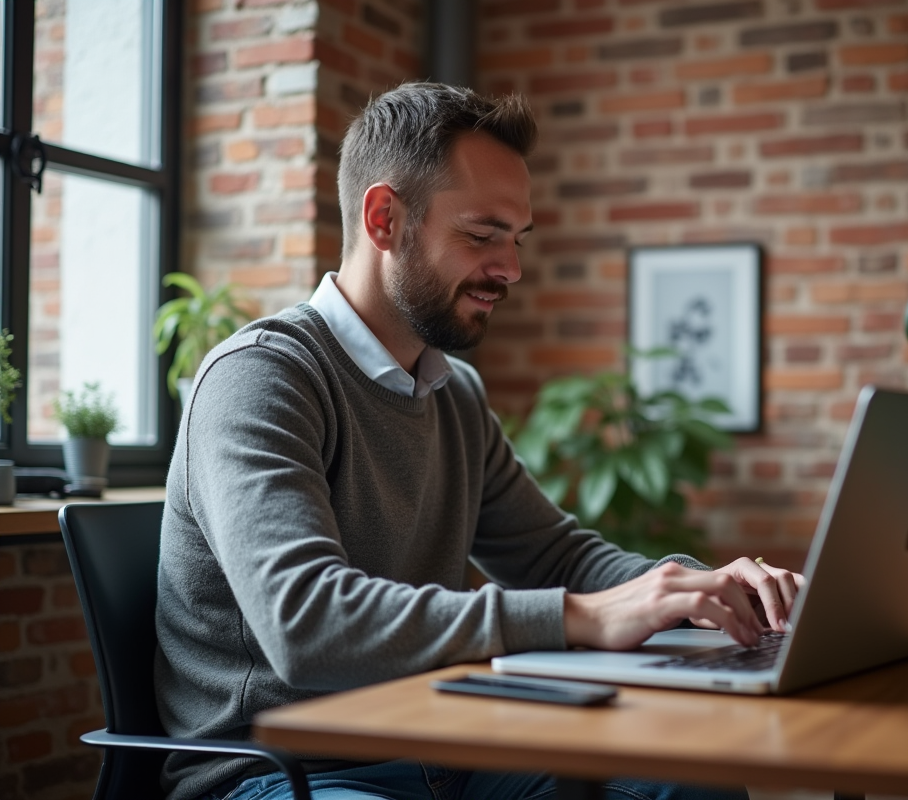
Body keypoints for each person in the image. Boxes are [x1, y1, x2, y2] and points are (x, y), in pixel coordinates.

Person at [155, 82, 802, 800]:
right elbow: (305, 623)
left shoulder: (452, 392)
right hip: (281, 772)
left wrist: (697, 586)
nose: (511, 269)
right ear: (384, 219)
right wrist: (580, 618)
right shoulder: (262, 378)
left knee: (689, 782)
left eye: (516, 239)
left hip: (440, 745)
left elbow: (553, 555)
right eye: (481, 234)